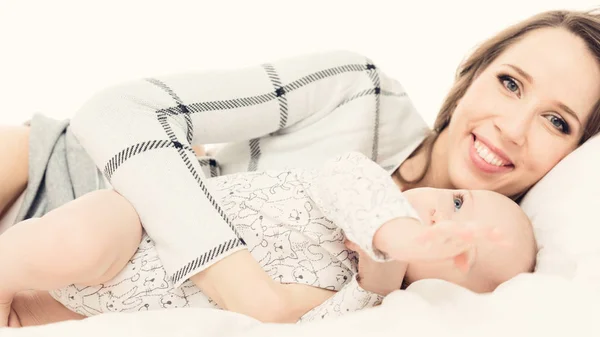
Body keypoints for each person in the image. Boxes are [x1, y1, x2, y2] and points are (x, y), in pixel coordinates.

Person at [0, 8, 598, 328]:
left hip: (74, 303)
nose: (512, 128)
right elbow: (115, 111)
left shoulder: (471, 272)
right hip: (61, 175)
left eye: (558, 122)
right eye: (510, 83)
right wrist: (244, 289)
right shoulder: (356, 93)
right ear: (470, 76)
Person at [0, 151, 536, 325]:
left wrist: (386, 267)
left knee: (31, 319)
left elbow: (310, 324)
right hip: (132, 229)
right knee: (74, 249)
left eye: (459, 251)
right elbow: (353, 192)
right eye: (456, 203)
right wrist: (396, 235)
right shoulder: (363, 180)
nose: (440, 221)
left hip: (116, 306)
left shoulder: (370, 306)